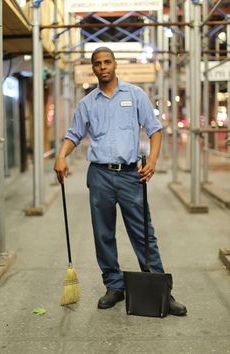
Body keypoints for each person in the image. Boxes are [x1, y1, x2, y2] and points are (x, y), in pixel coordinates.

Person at [54, 46, 187, 316]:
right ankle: (114, 286)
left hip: (129, 174)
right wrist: (61, 155)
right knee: (103, 233)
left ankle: (160, 289)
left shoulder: (135, 95)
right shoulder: (88, 103)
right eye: (97, 63)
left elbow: (155, 129)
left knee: (144, 233)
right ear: (93, 68)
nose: (102, 67)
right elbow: (74, 134)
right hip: (100, 174)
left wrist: (152, 161)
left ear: (115, 65)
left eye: (107, 62)